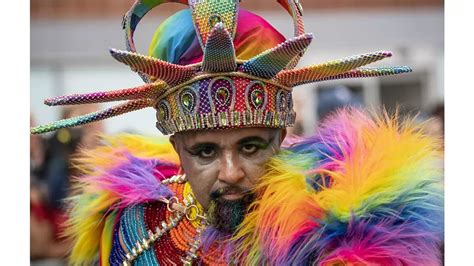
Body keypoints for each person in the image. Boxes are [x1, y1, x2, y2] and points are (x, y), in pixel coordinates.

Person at [31, 0, 443, 265]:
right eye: (206, 152)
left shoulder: (335, 236)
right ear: (177, 148)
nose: (230, 172)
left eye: (250, 146)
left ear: (281, 139)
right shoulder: (132, 225)